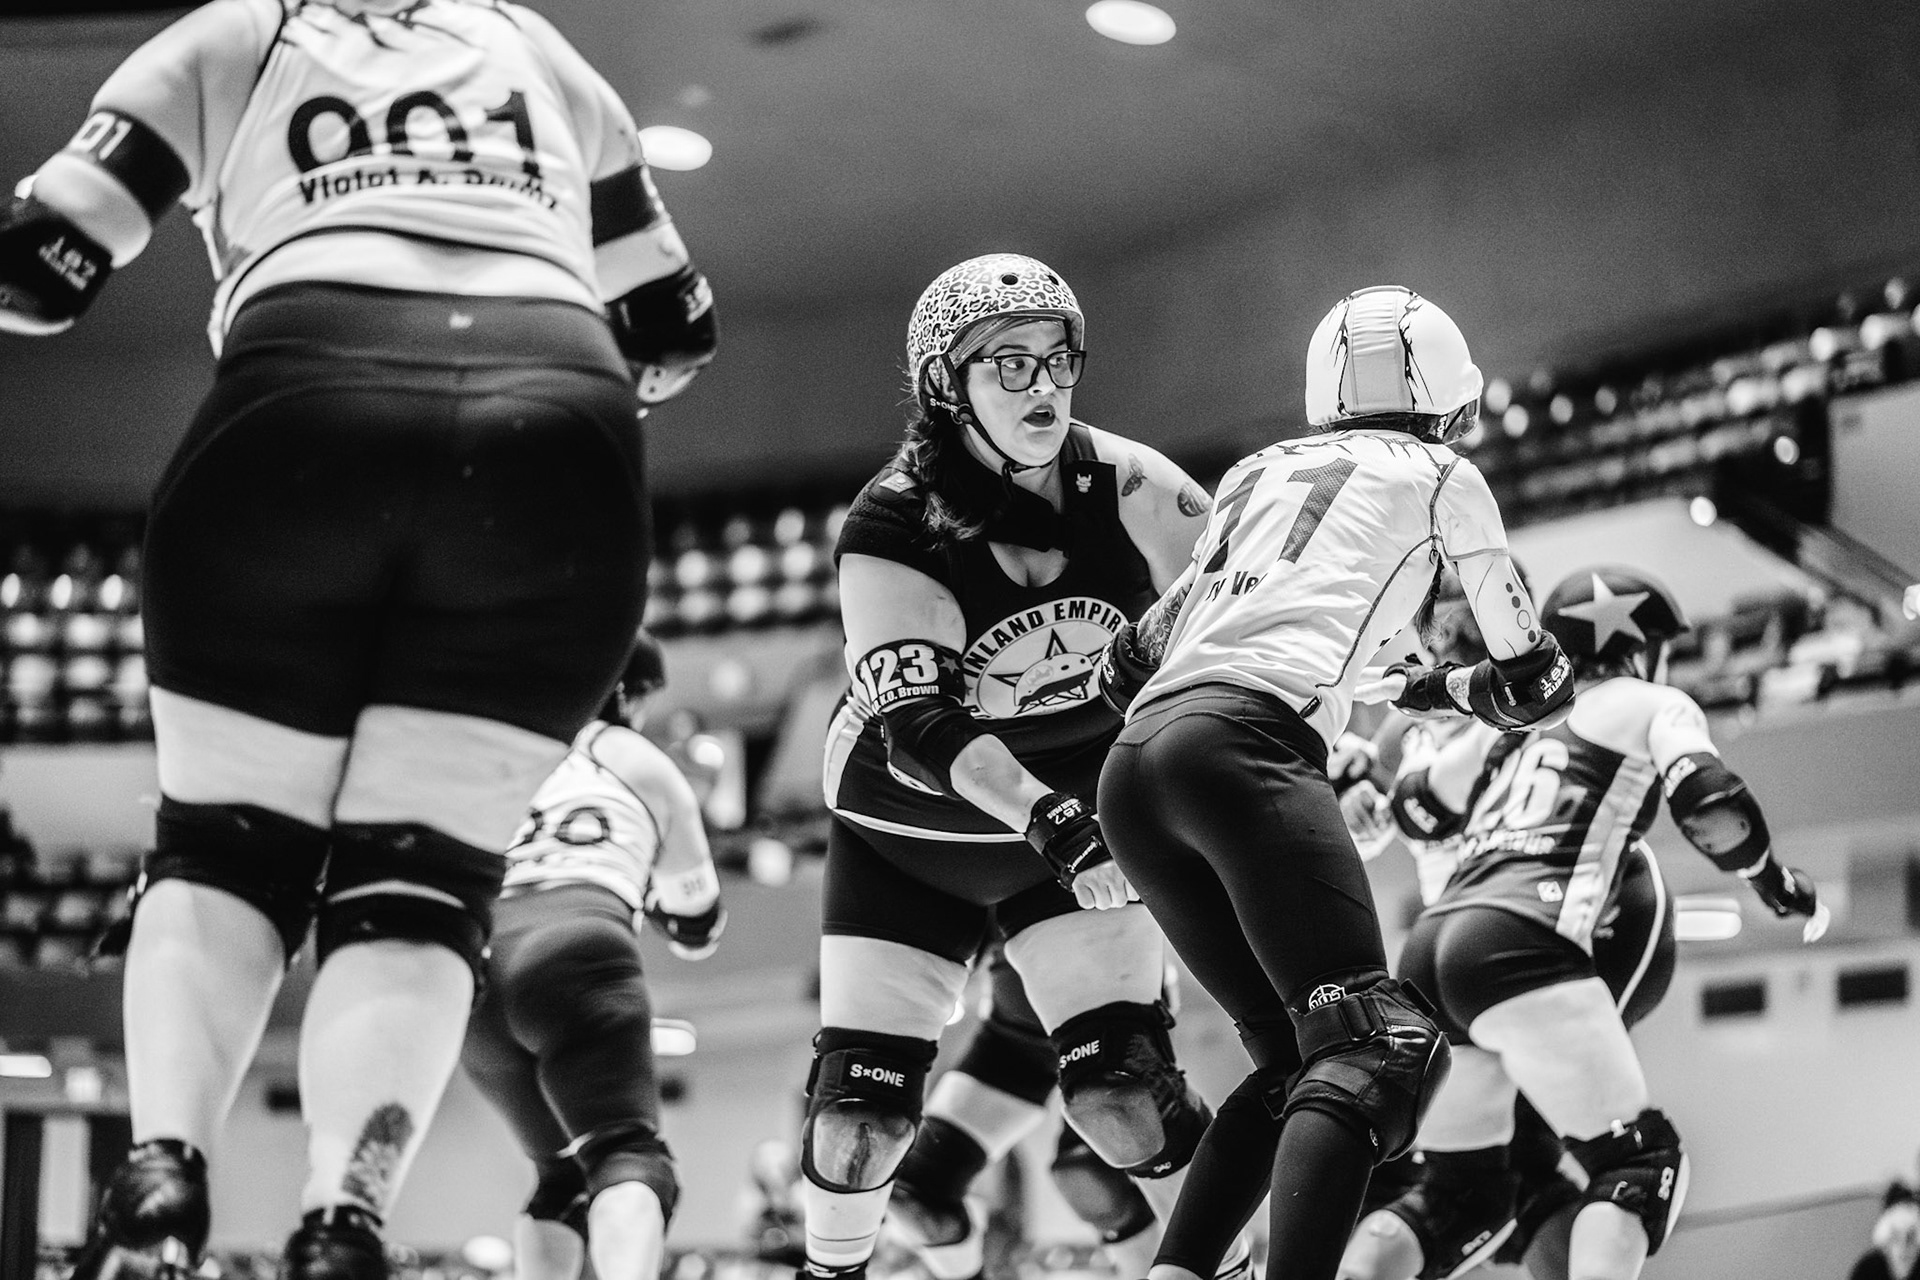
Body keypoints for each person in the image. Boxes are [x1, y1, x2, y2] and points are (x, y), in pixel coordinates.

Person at [2, 2, 717, 1275]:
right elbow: (672, 332)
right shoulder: (539, 46)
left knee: (226, 846)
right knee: (419, 881)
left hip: (311, 391)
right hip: (557, 425)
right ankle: (345, 1217)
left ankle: (165, 1162)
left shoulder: (245, 26)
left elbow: (45, 265)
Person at [1094, 284, 1578, 1280]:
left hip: (1136, 768)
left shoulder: (1256, 472)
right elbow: (1532, 675)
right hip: (1245, 747)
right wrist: (1492, 687)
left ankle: (1177, 1270)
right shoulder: (1444, 474)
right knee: (1377, 1044)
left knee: (1293, 1062)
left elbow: (1128, 664)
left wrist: (1430, 686)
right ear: (1447, 396)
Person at [804, 252, 1230, 1280]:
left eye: (1057, 358)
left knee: (1122, 1099)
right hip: (912, 833)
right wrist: (1051, 818)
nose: (1044, 384)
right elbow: (919, 723)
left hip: (1074, 824)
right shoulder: (893, 519)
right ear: (946, 385)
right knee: (859, 1122)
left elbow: (1243, 635)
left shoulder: (1131, 483)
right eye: (1009, 362)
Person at [1337, 565, 1828, 1280]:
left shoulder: (1511, 726)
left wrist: (1364, 775)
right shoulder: (1653, 703)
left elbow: (1418, 808)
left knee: (1460, 1197)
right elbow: (1709, 802)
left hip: (1431, 944)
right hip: (1519, 942)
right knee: (1638, 1163)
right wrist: (1775, 882)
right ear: (1642, 648)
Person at [461, 633, 725, 1280]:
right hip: (574, 947)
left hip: (474, 977)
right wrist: (654, 896)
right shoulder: (633, 755)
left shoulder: (505, 748)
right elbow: (698, 923)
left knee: (560, 1179)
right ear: (626, 695)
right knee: (628, 1157)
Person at [889, 945, 1218, 1280]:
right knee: (915, 1197)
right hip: (1025, 1013)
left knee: (1091, 1163)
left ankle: (1216, 1268)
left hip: (1094, 991)